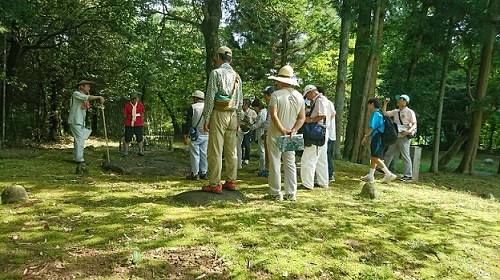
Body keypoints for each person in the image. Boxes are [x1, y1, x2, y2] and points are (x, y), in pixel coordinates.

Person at [201, 46, 243, 193]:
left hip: (219, 114)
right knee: (232, 150)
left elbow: (210, 97)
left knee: (215, 150)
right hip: (233, 115)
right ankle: (231, 181)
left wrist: (206, 118)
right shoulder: (237, 76)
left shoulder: (215, 73)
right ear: (230, 60)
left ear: (218, 57)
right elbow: (240, 100)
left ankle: (214, 184)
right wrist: (238, 119)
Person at [265, 65, 306, 201]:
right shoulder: (299, 96)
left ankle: (275, 192)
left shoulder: (276, 95)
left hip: (276, 133)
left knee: (275, 162)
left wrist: (282, 129)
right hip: (291, 134)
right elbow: (302, 117)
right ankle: (291, 193)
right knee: (290, 162)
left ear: (281, 81)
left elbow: (273, 115)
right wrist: (294, 129)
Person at [299, 85, 330, 190]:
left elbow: (322, 115)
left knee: (307, 159)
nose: (307, 97)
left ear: (311, 92)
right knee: (321, 160)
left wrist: (311, 120)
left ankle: (307, 184)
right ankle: (323, 182)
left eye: (307, 95)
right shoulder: (324, 100)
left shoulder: (320, 100)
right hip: (324, 132)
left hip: (317, 132)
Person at [361, 98, 397, 183]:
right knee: (374, 156)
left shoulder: (376, 114)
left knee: (375, 157)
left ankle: (388, 174)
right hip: (379, 137)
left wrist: (365, 136)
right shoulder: (380, 114)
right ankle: (370, 175)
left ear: (372, 104)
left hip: (378, 137)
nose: (368, 107)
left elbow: (372, 127)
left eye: (368, 105)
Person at [68, 80, 105, 164]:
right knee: (80, 139)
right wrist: (99, 97)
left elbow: (87, 99)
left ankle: (76, 157)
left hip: (80, 121)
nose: (89, 88)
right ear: (81, 86)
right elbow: (87, 98)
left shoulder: (84, 95)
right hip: (75, 119)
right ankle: (79, 159)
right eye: (87, 86)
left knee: (79, 139)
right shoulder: (76, 94)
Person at [382, 94, 417, 181]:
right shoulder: (396, 111)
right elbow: (385, 114)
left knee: (405, 156)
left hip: (404, 137)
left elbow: (414, 124)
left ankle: (408, 175)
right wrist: (385, 104)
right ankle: (384, 169)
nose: (398, 101)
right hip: (396, 136)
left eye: (400, 99)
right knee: (389, 153)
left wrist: (408, 131)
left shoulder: (410, 112)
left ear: (405, 102)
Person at [183, 90, 208, 180]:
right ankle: (204, 172)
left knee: (195, 154)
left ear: (196, 98)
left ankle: (195, 173)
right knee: (204, 154)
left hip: (195, 134)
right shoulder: (208, 107)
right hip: (206, 134)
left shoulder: (193, 107)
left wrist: (186, 134)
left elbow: (188, 122)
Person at [317, 87, 337, 182]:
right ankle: (324, 174)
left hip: (328, 133)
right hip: (324, 132)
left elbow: (333, 113)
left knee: (326, 154)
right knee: (322, 154)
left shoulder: (326, 102)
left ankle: (329, 174)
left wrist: (325, 122)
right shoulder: (321, 102)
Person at [258, 86, 274, 177]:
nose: (264, 97)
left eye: (265, 94)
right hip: (267, 130)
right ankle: (267, 168)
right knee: (267, 150)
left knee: (269, 151)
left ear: (270, 94)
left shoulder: (275, 104)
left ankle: (269, 169)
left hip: (270, 131)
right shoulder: (270, 105)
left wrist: (267, 131)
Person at [251, 98, 267, 175]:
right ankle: (261, 166)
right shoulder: (263, 112)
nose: (254, 109)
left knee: (262, 151)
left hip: (261, 133)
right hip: (261, 133)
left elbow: (259, 124)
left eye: (255, 107)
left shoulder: (262, 113)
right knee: (262, 151)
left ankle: (262, 167)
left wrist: (251, 126)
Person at [240, 98, 257, 165]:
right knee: (240, 144)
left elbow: (256, 120)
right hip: (241, 130)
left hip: (248, 130)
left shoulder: (252, 112)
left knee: (247, 145)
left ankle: (247, 158)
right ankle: (241, 158)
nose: (242, 105)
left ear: (246, 104)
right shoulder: (240, 111)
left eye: (243, 104)